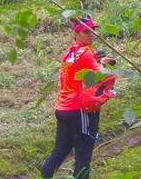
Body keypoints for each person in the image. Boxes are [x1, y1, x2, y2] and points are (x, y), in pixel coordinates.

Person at [40, 15, 116, 179]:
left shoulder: (69, 53)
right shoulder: (86, 53)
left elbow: (79, 74)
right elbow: (100, 78)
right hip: (80, 109)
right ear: (76, 33)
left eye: (92, 31)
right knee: (83, 152)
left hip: (63, 108)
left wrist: (98, 61)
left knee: (60, 151)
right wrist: (103, 64)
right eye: (86, 32)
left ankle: (44, 175)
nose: (91, 35)